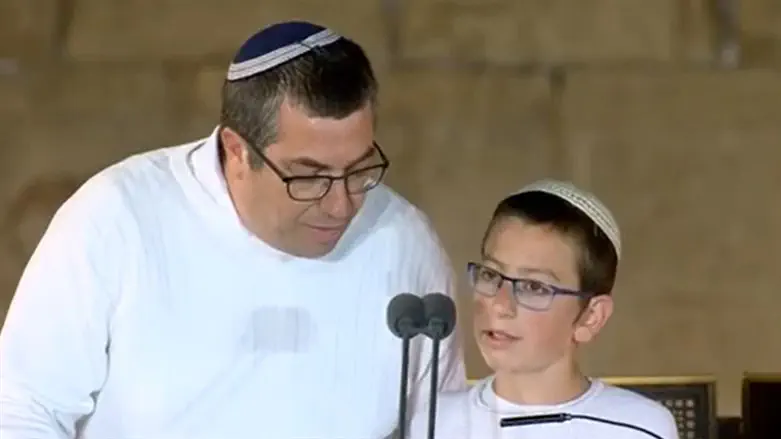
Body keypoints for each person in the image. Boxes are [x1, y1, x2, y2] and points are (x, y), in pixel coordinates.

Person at [0, 21, 466, 439]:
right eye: (309, 177)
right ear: (236, 149)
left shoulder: (405, 242)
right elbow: (23, 408)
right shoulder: (118, 218)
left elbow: (443, 423)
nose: (341, 204)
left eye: (360, 170)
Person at [408, 179, 679, 439]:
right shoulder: (431, 422)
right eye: (491, 275)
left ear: (591, 317)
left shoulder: (638, 429)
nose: (500, 305)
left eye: (534, 287)